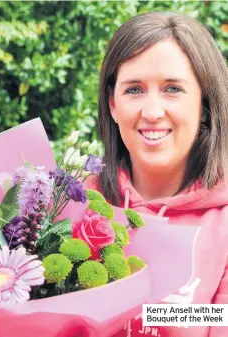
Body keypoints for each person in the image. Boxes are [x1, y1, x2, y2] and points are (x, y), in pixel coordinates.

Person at [84, 11, 228, 337]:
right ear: (112, 104)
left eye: (172, 89)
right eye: (134, 90)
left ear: (204, 103)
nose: (151, 112)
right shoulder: (73, 202)